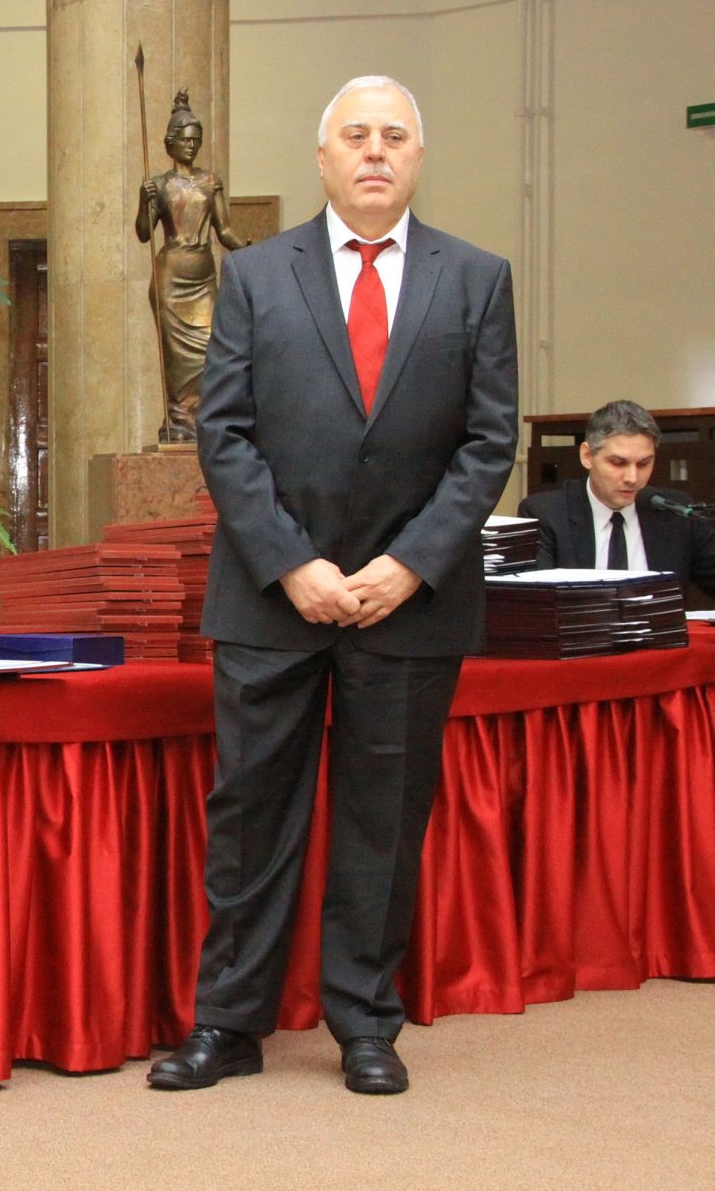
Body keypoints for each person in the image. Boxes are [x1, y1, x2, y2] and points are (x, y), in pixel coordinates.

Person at [149, 75, 518, 1095]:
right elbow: (222, 433)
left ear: (417, 157)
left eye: (393, 136)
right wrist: (293, 563)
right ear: (322, 159)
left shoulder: (476, 279)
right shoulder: (254, 275)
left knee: (381, 821)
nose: (374, 152)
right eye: (355, 136)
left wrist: (407, 564)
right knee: (251, 816)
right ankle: (228, 1022)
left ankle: (364, 1022)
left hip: (410, 600)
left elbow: (488, 443)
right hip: (273, 595)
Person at [134, 89, 249, 442]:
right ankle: (179, 420)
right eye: (185, 140)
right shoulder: (159, 185)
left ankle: (204, 417)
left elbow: (224, 230)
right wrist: (143, 202)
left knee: (212, 345)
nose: (191, 145)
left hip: (202, 276)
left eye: (196, 140)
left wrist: (249, 252)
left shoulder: (210, 182)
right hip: (171, 277)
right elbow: (143, 233)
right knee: (176, 359)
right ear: (170, 143)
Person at [517, 399, 715, 598]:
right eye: (618, 463)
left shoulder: (674, 512)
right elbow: (538, 602)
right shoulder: (545, 514)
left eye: (643, 464)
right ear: (587, 456)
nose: (632, 478)